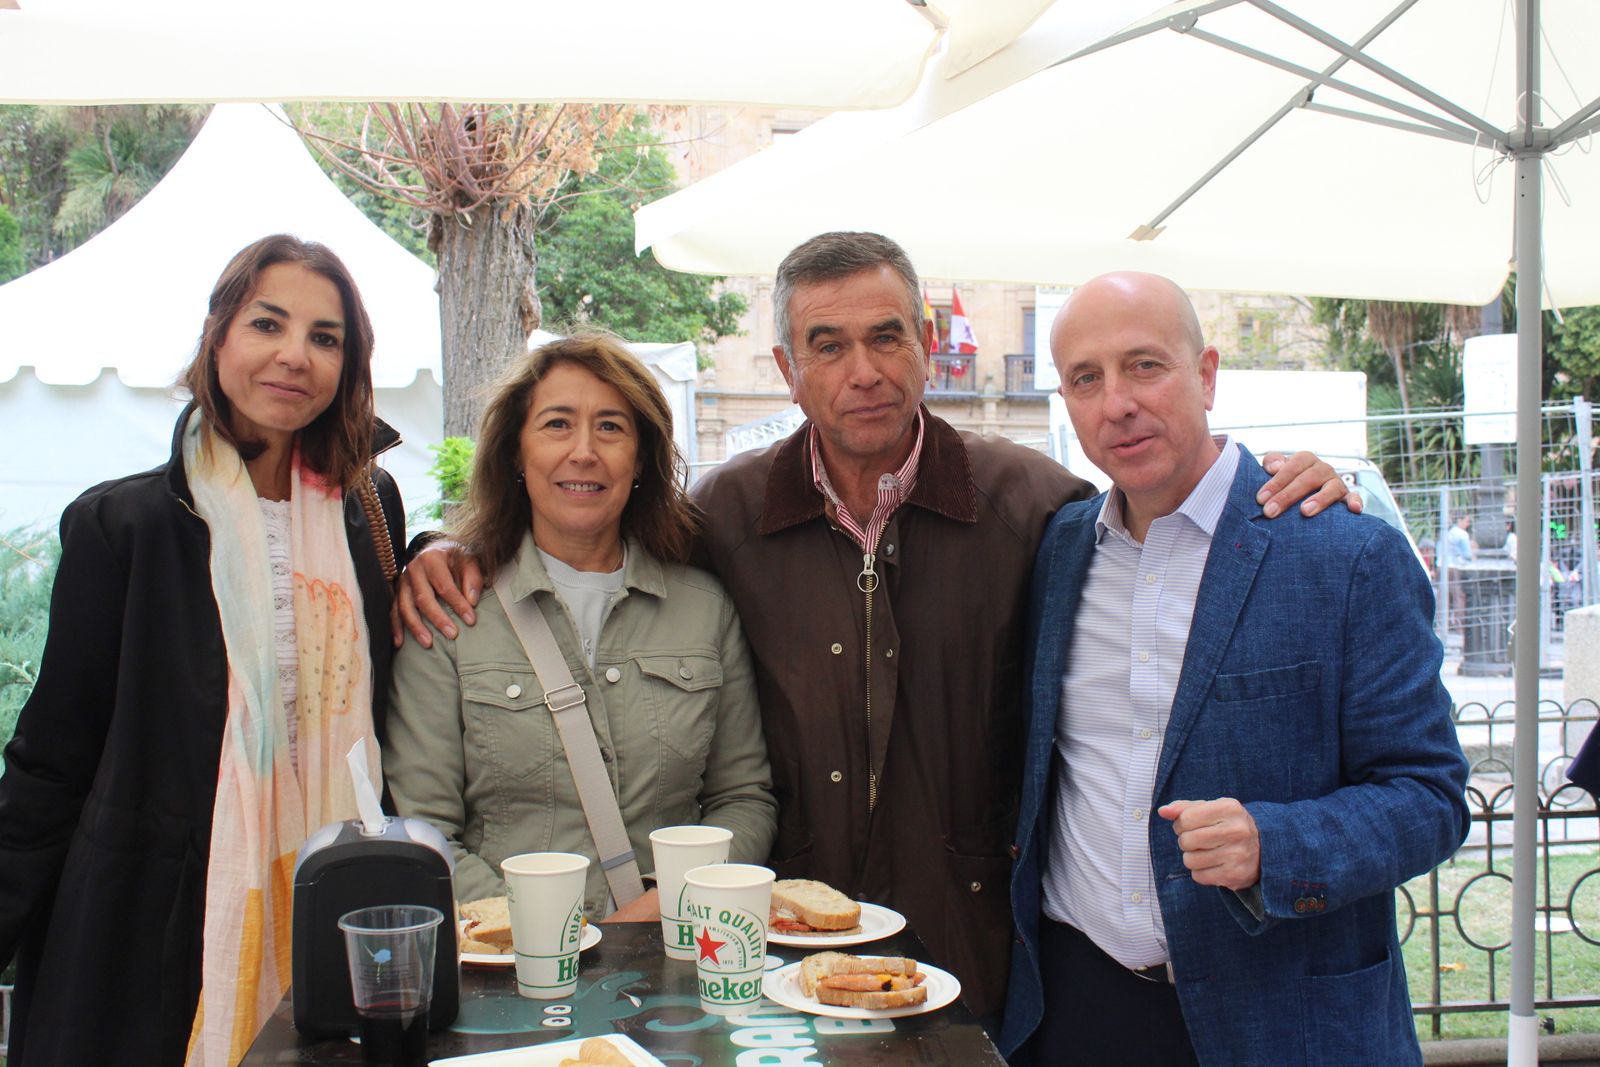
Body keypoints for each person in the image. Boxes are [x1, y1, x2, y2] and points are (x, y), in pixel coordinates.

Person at [394, 233, 1356, 1023]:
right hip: (777, 954)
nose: (863, 371)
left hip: (979, 959)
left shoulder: (1035, 506)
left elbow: (1161, 518)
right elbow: (589, 530)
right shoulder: (725, 516)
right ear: (787, 368)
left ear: (926, 343)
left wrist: (1279, 481)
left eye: (886, 336)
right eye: (827, 345)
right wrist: (451, 548)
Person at [1000, 272, 1470, 1066]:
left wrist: (1275, 844)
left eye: (1144, 365)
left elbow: (1431, 796)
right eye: (1085, 378)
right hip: (1078, 1009)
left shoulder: (1345, 553)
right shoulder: (1060, 550)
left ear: (1207, 374)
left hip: (1283, 1019)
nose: (1117, 402)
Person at [0, 235, 407, 1066]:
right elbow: (53, 756)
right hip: (148, 924)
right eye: (268, 323)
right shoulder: (125, 525)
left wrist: (438, 547)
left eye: (325, 338)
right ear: (218, 337)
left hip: (334, 900)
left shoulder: (369, 507)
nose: (294, 355)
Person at [382, 333, 776, 919]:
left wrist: (672, 901)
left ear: (640, 458)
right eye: (557, 424)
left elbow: (743, 799)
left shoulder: (705, 609)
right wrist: (544, 930)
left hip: (671, 952)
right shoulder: (450, 610)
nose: (584, 451)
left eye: (611, 427)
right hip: (504, 957)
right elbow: (423, 829)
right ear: (515, 453)